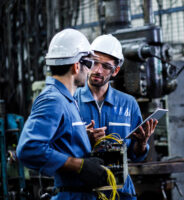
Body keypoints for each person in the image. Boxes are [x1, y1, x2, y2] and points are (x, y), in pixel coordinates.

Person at [16, 29, 108, 200]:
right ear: (76, 65)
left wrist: (80, 138)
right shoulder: (53, 100)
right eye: (88, 64)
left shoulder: (67, 99)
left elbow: (59, 140)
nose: (90, 71)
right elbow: (29, 149)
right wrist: (80, 165)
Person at [74, 34, 158, 199]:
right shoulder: (71, 101)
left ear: (115, 71)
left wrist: (141, 143)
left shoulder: (128, 104)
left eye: (105, 66)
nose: (98, 70)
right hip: (82, 191)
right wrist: (84, 139)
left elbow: (137, 155)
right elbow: (56, 150)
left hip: (121, 192)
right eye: (95, 62)